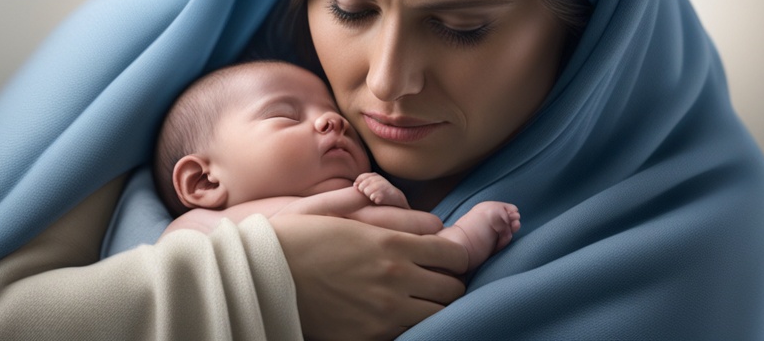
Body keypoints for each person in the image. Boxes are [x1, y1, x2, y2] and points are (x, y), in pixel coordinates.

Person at [0, 0, 764, 340]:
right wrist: (256, 285)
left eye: (460, 27)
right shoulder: (149, 58)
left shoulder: (699, 232)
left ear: (596, 19)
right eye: (347, 8)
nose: (385, 85)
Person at [155, 60, 520, 273]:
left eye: (335, 112)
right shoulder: (201, 227)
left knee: (443, 248)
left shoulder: (362, 194)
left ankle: (467, 241)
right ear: (203, 180)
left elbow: (415, 241)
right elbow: (187, 274)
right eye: (284, 114)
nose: (333, 121)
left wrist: (392, 202)